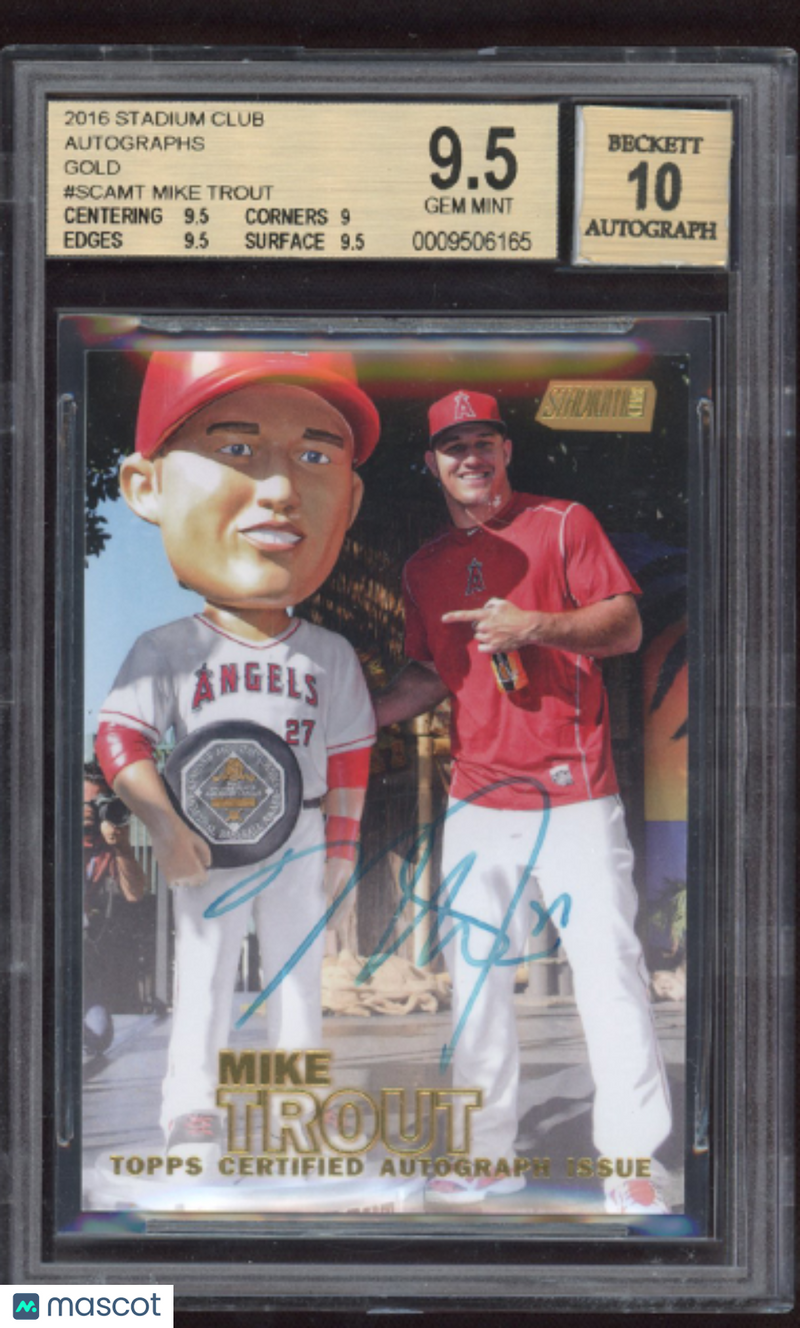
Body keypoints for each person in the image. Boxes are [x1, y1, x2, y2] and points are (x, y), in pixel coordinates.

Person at [374, 389, 672, 1213]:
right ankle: (484, 1157)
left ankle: (631, 1163)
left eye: (484, 441)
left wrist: (533, 625)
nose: (470, 457)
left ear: (506, 451)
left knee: (608, 976)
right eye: (454, 447)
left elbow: (623, 627)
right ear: (432, 464)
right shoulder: (423, 567)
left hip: (575, 793)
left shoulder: (564, 523)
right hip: (477, 797)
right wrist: (357, 717)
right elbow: (430, 673)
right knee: (475, 986)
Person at [95, 350, 379, 1163]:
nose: (280, 489)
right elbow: (118, 737)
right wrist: (163, 824)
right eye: (237, 450)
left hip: (300, 828)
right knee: (205, 969)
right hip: (207, 831)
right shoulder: (168, 645)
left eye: (314, 457)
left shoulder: (327, 652)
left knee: (298, 971)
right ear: (148, 485)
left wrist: (344, 846)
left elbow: (351, 753)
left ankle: (298, 1103)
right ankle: (191, 1108)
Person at [83, 763, 146, 1050]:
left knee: (98, 1037)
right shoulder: (52, 833)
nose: (88, 810)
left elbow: (134, 893)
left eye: (96, 804)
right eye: (83, 802)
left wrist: (122, 847)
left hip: (80, 954)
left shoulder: (105, 845)